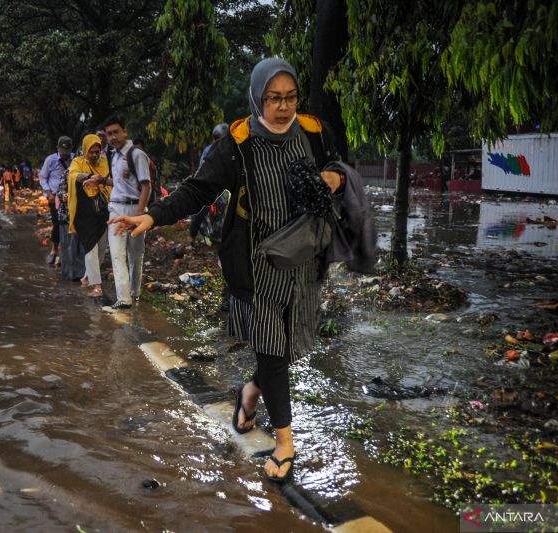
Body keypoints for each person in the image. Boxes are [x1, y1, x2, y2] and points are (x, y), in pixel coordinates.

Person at [109, 58, 349, 484]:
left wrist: (331, 178)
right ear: (258, 98)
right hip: (257, 264)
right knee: (273, 351)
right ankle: (285, 442)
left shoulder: (314, 131)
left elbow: (336, 165)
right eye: (274, 98)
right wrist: (153, 216)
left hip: (304, 260)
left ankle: (249, 393)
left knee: (288, 350)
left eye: (290, 97)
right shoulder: (237, 143)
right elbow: (198, 188)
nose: (283, 106)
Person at [104, 116, 152, 309]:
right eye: (109, 134)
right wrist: (100, 181)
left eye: (116, 132)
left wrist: (138, 217)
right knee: (117, 254)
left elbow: (146, 187)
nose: (113, 137)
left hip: (135, 209)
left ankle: (134, 293)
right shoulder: (113, 156)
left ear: (125, 132)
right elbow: (119, 184)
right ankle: (123, 299)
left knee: (135, 254)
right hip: (116, 208)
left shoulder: (136, 154)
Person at [68, 134, 112, 297]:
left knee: (101, 248)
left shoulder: (104, 163)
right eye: (91, 151)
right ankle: (97, 286)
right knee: (90, 248)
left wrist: (101, 180)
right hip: (84, 213)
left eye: (97, 151)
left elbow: (110, 183)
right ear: (85, 149)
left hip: (102, 211)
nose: (94, 154)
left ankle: (88, 276)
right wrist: (87, 177)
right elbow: (72, 175)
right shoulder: (77, 162)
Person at [190, 123, 230, 244]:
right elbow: (203, 169)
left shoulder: (231, 150)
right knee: (200, 209)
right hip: (209, 184)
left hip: (225, 186)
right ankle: (192, 235)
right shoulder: (209, 150)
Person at [39, 136, 75, 266]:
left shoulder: (75, 159)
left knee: (71, 224)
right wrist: (48, 192)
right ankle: (54, 250)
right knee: (58, 223)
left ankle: (69, 251)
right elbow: (43, 177)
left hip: (71, 197)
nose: (65, 155)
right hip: (54, 197)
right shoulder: (51, 160)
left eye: (67, 151)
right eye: (63, 151)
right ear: (58, 148)